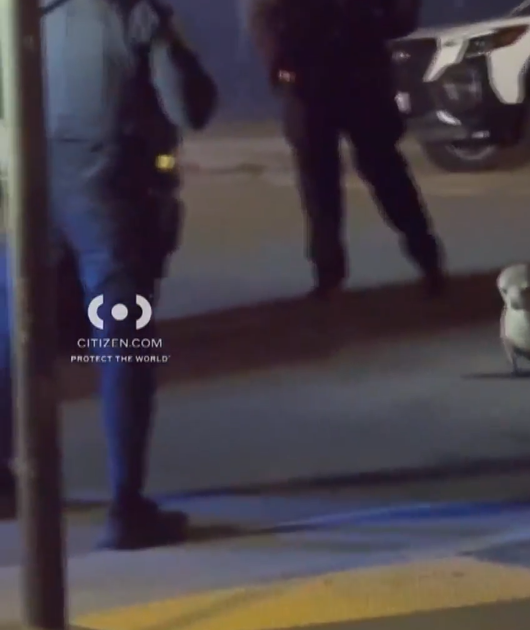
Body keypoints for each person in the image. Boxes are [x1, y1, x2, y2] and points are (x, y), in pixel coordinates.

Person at [0, 0, 217, 550]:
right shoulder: (132, 13)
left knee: (14, 331)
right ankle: (127, 508)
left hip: (32, 186)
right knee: (124, 340)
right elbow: (190, 106)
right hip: (110, 189)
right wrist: (170, 38)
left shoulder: (29, 12)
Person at [247, 0, 444, 300]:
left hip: (352, 75)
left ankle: (425, 259)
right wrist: (280, 65)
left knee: (378, 172)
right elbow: (265, 17)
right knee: (326, 182)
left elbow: (399, 16)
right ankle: (331, 274)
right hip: (316, 79)